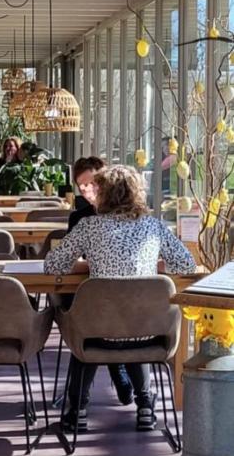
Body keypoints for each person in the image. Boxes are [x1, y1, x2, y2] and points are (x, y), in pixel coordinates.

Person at [45, 165, 196, 433]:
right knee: (132, 321)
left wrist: (89, 265)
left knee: (88, 328)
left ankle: (77, 410)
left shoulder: (88, 226)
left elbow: (53, 265)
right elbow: (186, 265)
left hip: (98, 333)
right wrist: (151, 265)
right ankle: (146, 407)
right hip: (148, 331)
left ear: (103, 194)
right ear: (137, 194)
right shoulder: (153, 226)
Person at [64, 156, 135, 409]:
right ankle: (126, 380)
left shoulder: (129, 218)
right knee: (101, 316)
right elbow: (68, 257)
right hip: (91, 297)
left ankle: (77, 409)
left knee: (103, 322)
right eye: (81, 187)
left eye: (92, 183)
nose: (87, 190)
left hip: (116, 304)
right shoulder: (80, 219)